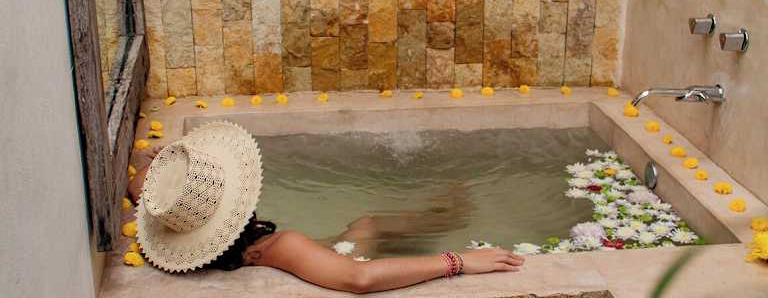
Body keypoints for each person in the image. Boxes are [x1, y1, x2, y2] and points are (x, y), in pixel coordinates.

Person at [129, 121, 525, 294]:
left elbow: (139, 186)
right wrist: (457, 261)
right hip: (334, 264)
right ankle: (450, 217)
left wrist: (167, 170)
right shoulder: (274, 246)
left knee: (363, 225)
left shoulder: (179, 227)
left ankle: (443, 216)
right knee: (368, 226)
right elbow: (359, 279)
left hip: (297, 252)